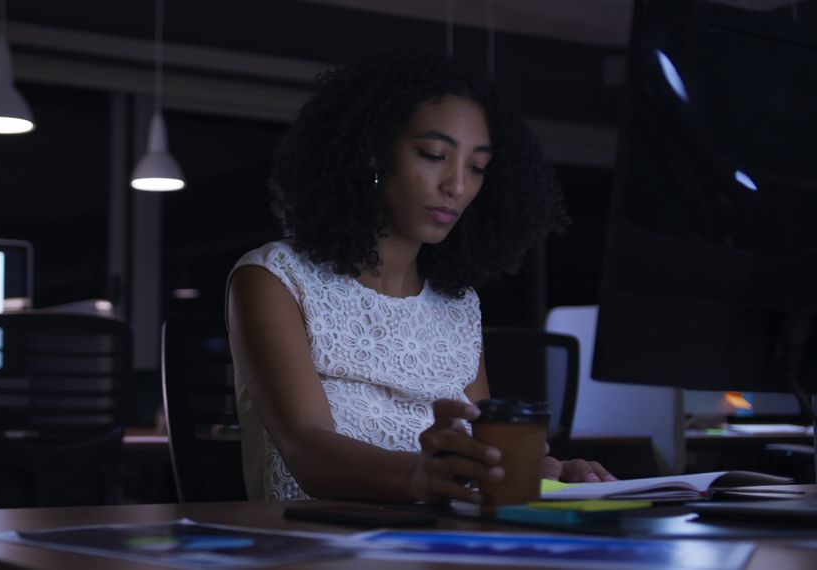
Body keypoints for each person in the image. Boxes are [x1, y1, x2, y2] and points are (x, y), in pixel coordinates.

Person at [226, 50, 615, 504]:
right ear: (373, 151)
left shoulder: (458, 304)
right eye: (434, 155)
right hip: (317, 543)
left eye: (477, 168)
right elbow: (308, 450)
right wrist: (421, 475)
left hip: (439, 539)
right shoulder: (273, 279)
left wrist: (535, 473)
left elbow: (476, 460)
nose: (457, 186)